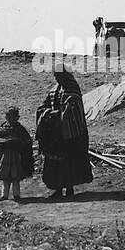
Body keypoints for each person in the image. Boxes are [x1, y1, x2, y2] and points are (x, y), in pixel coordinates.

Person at [36, 68, 93, 199]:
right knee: (55, 161)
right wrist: (45, 113)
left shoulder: (72, 88)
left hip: (71, 133)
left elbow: (74, 109)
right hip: (55, 133)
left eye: (58, 75)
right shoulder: (55, 89)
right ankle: (57, 188)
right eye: (55, 76)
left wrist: (59, 115)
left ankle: (69, 188)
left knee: (70, 160)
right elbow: (45, 105)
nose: (56, 78)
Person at [0, 107, 34, 201]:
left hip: (16, 156)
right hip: (5, 156)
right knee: (5, 177)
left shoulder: (20, 129)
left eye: (13, 117)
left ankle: (16, 195)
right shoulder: (3, 128)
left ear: (17, 118)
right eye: (9, 117)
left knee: (16, 177)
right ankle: (4, 195)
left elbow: (27, 141)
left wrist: (17, 143)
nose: (10, 119)